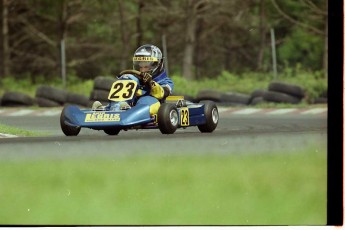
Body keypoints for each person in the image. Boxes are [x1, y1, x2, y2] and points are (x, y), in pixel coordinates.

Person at [92, 44, 174, 115]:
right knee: (128, 78)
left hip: (151, 103)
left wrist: (151, 82)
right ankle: (112, 108)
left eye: (146, 67)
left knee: (145, 100)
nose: (142, 70)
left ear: (158, 65)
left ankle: (126, 111)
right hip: (129, 103)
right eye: (140, 67)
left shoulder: (166, 81)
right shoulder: (136, 80)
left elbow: (162, 93)